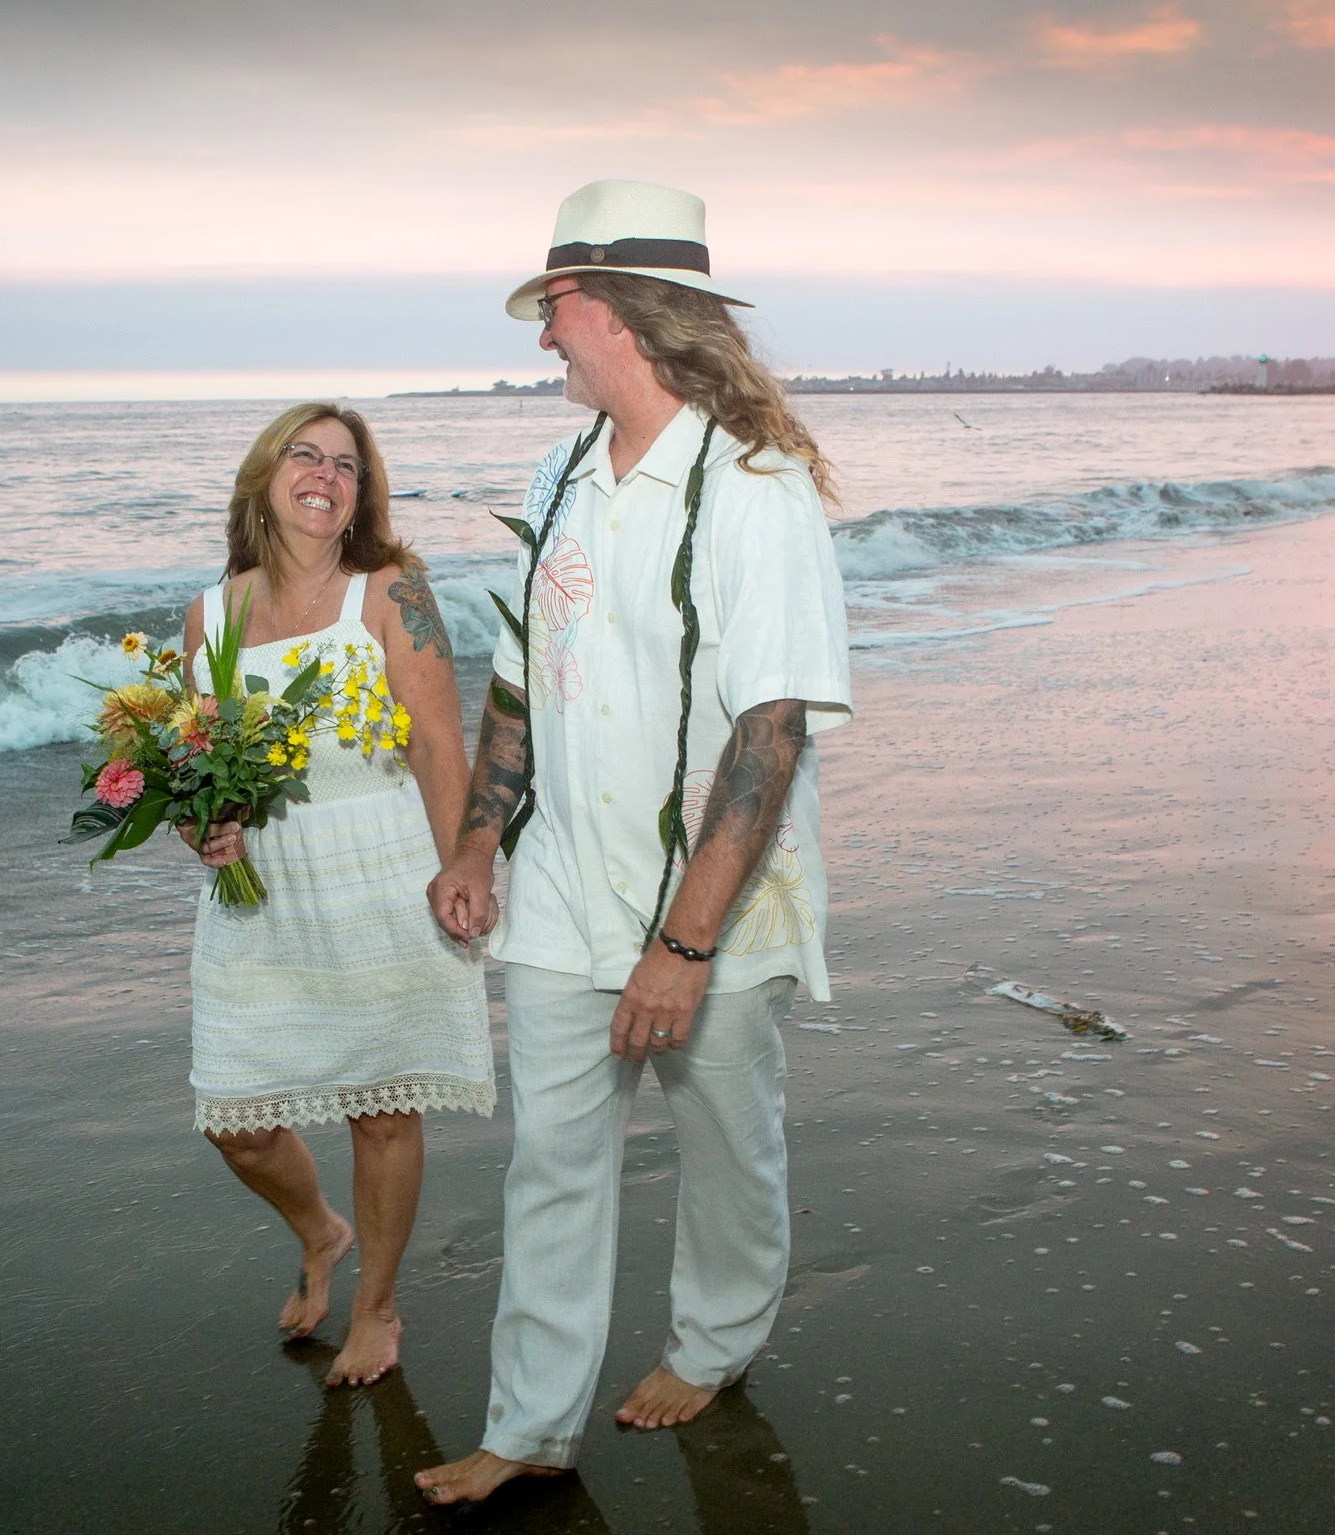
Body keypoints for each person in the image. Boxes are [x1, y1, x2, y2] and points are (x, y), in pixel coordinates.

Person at [416, 180, 851, 1503]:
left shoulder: (755, 487)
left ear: (611, 308)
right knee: (549, 1159)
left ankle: (714, 1340)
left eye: (552, 307)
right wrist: (477, 843)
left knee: (725, 1142)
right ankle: (528, 1425)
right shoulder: (556, 473)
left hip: (714, 899)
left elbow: (769, 730)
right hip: (559, 883)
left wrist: (682, 943)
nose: (542, 335)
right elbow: (519, 682)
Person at [180, 402, 495, 1387]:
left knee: (381, 1108)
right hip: (263, 892)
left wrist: (464, 864)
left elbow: (438, 739)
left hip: (382, 869)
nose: (324, 474)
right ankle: (320, 1228)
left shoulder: (391, 592)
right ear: (264, 476)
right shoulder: (211, 615)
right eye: (304, 455)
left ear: (362, 494)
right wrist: (204, 827)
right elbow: (200, 772)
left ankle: (377, 1305)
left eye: (346, 465)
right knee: (234, 1118)